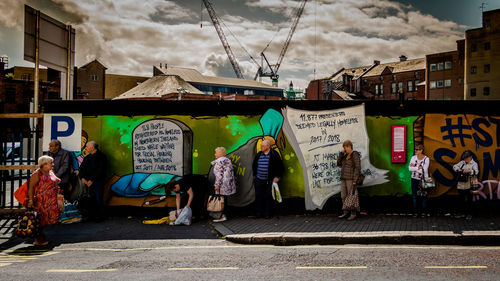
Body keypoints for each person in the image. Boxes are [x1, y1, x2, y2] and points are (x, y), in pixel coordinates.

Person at [27, 156, 61, 245]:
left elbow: (56, 181)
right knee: (40, 220)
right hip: (41, 201)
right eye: (51, 163)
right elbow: (31, 187)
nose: (53, 165)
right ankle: (39, 238)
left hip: (51, 201)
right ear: (44, 164)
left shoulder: (50, 172)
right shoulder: (37, 174)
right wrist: (30, 199)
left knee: (47, 220)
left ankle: (40, 237)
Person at [252, 139, 284, 219]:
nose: (261, 147)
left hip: (269, 180)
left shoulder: (274, 154)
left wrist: (277, 177)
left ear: (268, 146)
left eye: (262, 146)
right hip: (259, 179)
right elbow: (254, 165)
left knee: (268, 197)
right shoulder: (259, 154)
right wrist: (255, 176)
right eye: (261, 145)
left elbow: (280, 167)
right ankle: (258, 213)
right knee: (258, 196)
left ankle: (267, 214)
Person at [79, 141, 107, 221]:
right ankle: (90, 215)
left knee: (98, 199)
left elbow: (101, 170)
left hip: (98, 182)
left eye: (87, 146)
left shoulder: (101, 157)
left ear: (93, 147)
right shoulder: (87, 157)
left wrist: (92, 180)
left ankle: (100, 216)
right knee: (88, 199)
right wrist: (83, 178)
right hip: (87, 182)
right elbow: (81, 169)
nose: (86, 148)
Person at [336, 140, 361, 220]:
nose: (345, 149)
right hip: (343, 178)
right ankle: (345, 212)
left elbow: (358, 168)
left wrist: (355, 180)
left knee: (351, 196)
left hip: (351, 179)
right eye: (344, 147)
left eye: (346, 147)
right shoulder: (344, 156)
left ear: (350, 146)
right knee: (343, 196)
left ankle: (353, 213)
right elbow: (338, 163)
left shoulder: (355, 154)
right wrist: (341, 154)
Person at [211, 147, 236, 222]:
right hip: (228, 184)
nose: (215, 154)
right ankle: (225, 215)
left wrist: (217, 184)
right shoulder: (227, 160)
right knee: (225, 200)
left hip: (222, 184)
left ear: (220, 154)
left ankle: (222, 216)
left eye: (216, 153)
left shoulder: (219, 161)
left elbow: (219, 175)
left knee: (221, 200)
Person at [453, 150, 479, 220]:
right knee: (461, 200)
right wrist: (458, 169)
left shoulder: (474, 164)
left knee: (469, 200)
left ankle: (469, 214)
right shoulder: (462, 163)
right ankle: (462, 213)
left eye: (466, 158)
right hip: (461, 185)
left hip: (469, 185)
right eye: (464, 158)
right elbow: (454, 166)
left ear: (470, 157)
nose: (465, 160)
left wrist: (470, 171)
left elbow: (476, 172)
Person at [408, 144, 430, 218]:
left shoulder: (426, 159)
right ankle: (416, 212)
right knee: (414, 196)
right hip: (414, 178)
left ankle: (423, 212)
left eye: (417, 149)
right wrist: (419, 167)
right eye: (415, 149)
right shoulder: (413, 157)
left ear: (421, 150)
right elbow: (409, 169)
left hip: (424, 179)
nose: (415, 151)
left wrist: (414, 166)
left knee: (424, 196)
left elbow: (424, 170)